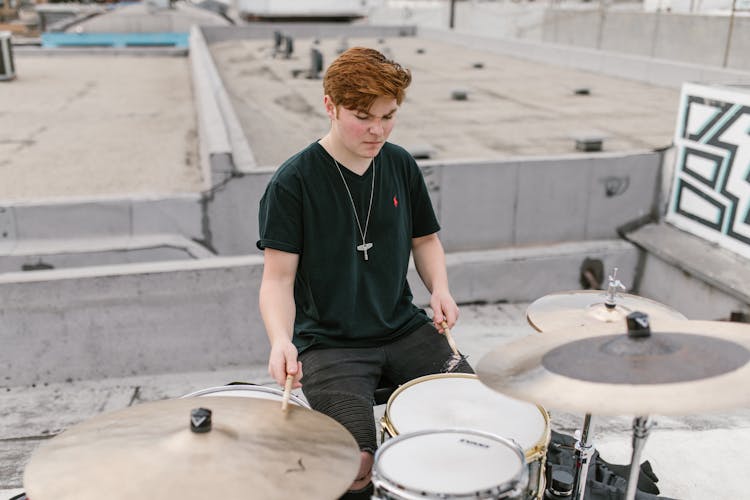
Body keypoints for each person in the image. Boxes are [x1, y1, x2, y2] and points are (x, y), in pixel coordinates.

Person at [257, 46, 473, 500]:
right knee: (354, 463)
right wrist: (280, 339)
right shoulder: (292, 182)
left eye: (389, 116)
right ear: (330, 106)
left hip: (403, 327)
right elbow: (276, 279)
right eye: (363, 116)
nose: (377, 130)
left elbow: (425, 240)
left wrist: (441, 290)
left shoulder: (399, 163)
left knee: (472, 421)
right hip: (330, 343)